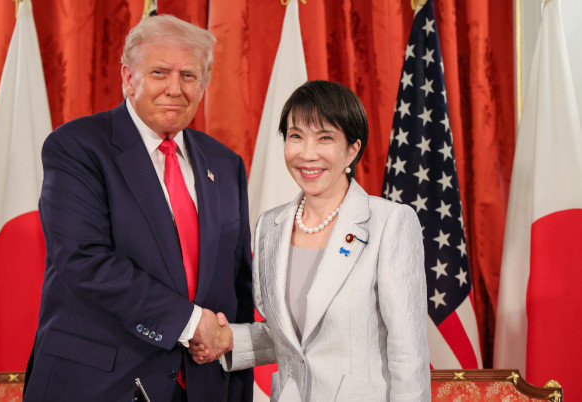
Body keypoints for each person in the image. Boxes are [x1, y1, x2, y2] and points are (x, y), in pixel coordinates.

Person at [24, 15, 253, 402]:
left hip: (202, 388)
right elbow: (84, 261)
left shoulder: (225, 164)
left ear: (204, 84)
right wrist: (190, 322)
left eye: (189, 76)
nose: (175, 88)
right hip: (99, 387)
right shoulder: (77, 147)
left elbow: (237, 289)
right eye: (159, 72)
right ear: (128, 78)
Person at [191, 80, 430, 401]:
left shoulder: (389, 223)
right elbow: (292, 337)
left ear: (352, 149)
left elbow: (408, 355)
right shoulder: (270, 226)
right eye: (296, 136)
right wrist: (230, 339)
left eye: (325, 137)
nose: (306, 153)